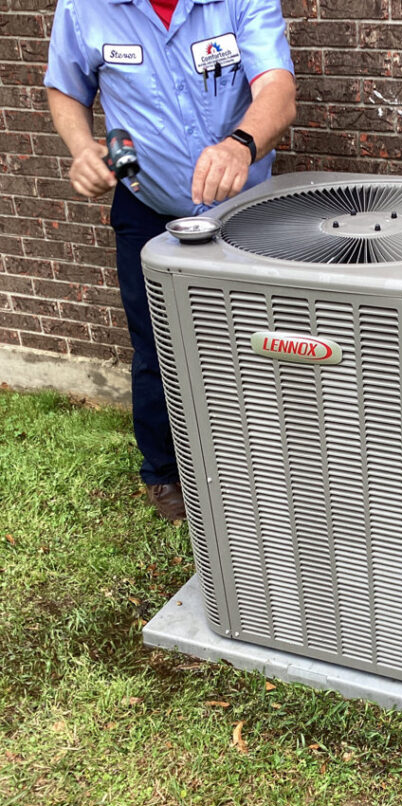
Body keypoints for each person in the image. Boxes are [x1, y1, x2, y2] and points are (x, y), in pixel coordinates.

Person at [44, 0, 296, 521]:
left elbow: (277, 89)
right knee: (156, 344)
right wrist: (82, 149)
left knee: (259, 341)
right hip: (145, 205)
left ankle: (266, 465)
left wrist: (241, 145)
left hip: (244, 206)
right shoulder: (84, 8)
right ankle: (163, 471)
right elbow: (66, 88)